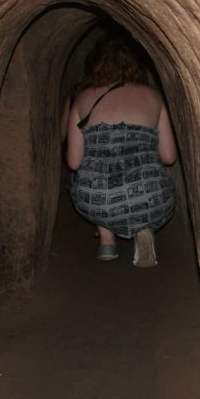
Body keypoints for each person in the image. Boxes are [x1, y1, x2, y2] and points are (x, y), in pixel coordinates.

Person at [63, 32, 177, 267]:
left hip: (98, 201)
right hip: (151, 199)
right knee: (150, 180)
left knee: (87, 178)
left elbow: (73, 162)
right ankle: (143, 229)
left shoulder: (83, 98)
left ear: (95, 64)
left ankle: (106, 240)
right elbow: (169, 157)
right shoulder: (154, 97)